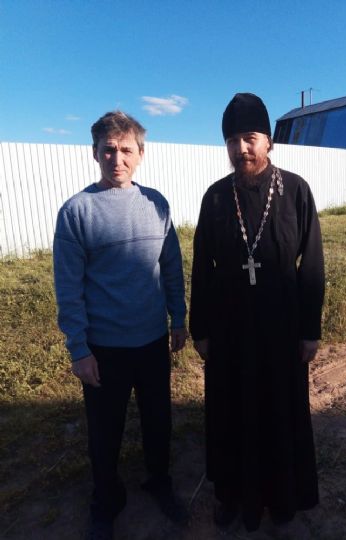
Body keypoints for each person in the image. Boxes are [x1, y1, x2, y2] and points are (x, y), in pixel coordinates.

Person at [189, 93, 325, 532]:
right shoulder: (215, 198)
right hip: (229, 329)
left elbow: (312, 265)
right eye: (233, 141)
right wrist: (200, 329)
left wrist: (310, 330)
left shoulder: (296, 190)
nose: (241, 148)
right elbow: (202, 268)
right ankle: (232, 495)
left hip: (282, 327)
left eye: (250, 138)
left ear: (268, 141)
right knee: (230, 412)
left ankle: (281, 497)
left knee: (279, 411)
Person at [53, 111, 187, 540]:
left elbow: (171, 267)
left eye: (126, 150)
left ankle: (159, 482)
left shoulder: (156, 205)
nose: (117, 159)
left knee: (158, 421)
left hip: (152, 340)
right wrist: (79, 349)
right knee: (104, 432)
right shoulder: (76, 212)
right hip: (104, 348)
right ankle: (106, 503)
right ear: (94, 153)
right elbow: (68, 288)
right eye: (108, 150)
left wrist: (179, 318)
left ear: (141, 154)